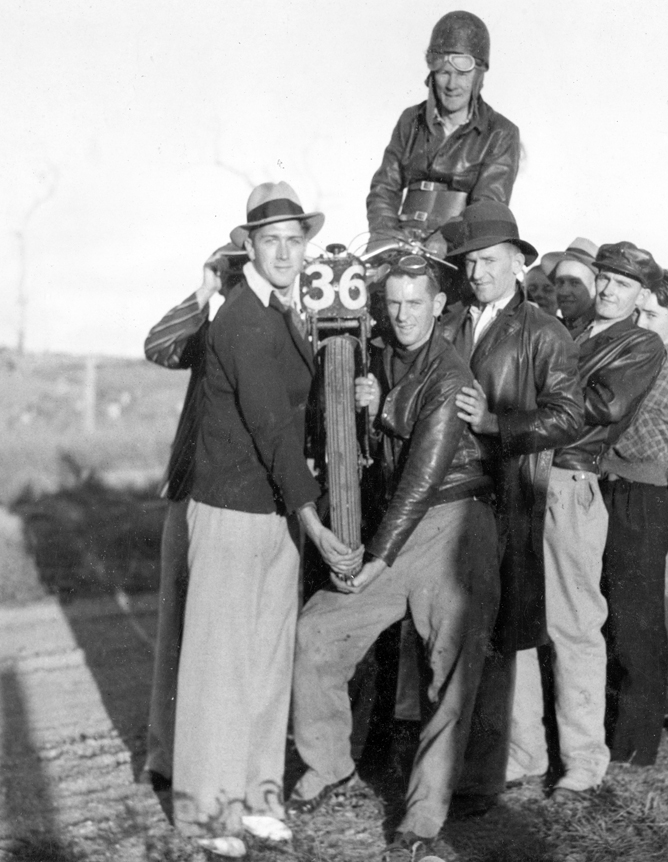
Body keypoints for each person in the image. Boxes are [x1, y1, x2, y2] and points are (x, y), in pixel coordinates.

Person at [172, 182, 361, 859]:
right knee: (222, 668)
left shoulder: (283, 313)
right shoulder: (243, 318)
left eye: (294, 240)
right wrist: (314, 523)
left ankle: (258, 801)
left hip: (274, 511)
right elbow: (275, 430)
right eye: (271, 240)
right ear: (247, 246)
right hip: (232, 512)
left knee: (265, 663)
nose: (285, 252)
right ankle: (208, 815)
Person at [290, 257, 501, 862]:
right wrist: (371, 403)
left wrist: (374, 563)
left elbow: (420, 482)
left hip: (453, 525)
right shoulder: (380, 351)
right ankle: (327, 764)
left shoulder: (450, 373)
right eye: (394, 303)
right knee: (318, 631)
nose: (403, 315)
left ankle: (422, 821)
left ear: (439, 306)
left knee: (449, 675)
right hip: (400, 525)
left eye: (416, 303)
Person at [434, 201, 584, 814]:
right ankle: (441, 761)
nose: (477, 273)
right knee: (445, 630)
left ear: (519, 262)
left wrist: (497, 422)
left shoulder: (544, 332)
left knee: (494, 637)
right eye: (469, 263)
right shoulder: (448, 320)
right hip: (442, 497)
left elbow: (569, 416)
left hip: (504, 498)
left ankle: (481, 778)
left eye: (490, 262)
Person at [508, 241, 665, 800]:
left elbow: (604, 406)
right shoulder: (571, 332)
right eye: (603, 278)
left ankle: (583, 760)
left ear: (641, 294)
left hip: (571, 479)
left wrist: (527, 404)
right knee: (521, 618)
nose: (606, 290)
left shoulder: (641, 344)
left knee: (573, 626)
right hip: (528, 473)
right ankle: (523, 752)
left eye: (621, 285)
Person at [141, 243, 244, 792]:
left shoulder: (277, 324)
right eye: (228, 269)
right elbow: (158, 345)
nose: (234, 278)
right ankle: (167, 757)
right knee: (176, 627)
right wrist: (203, 292)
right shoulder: (211, 329)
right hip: (190, 490)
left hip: (241, 502)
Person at [600, 270, 668, 766]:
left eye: (652, 316)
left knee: (637, 625)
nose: (640, 322)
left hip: (641, 498)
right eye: (637, 312)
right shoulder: (636, 358)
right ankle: (615, 734)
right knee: (610, 618)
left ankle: (637, 745)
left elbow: (625, 431)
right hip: (612, 492)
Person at [366, 11, 519, 248]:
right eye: (444, 73)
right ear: (432, 74)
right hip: (400, 243)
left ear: (478, 75)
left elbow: (487, 206)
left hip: (458, 249)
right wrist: (386, 235)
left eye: (462, 74)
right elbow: (384, 187)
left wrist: (446, 239)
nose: (451, 84)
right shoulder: (410, 120)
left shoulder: (500, 133)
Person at [541, 237, 599, 339]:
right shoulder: (552, 329)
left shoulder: (600, 334)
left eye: (574, 283)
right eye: (560, 282)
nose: (564, 292)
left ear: (595, 287)